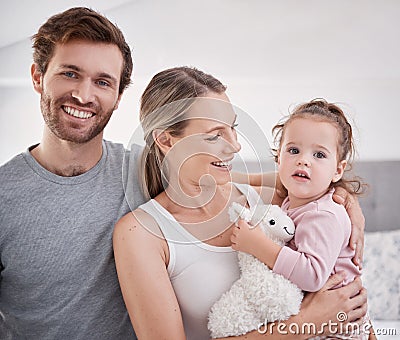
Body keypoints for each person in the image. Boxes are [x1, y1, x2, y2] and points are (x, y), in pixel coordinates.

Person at [113, 68, 368, 340]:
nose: (235, 146)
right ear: (166, 140)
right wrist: (307, 321)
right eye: (214, 135)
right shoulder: (142, 234)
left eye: (233, 128)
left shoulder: (270, 197)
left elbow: (344, 277)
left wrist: (346, 199)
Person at [0, 7, 146, 339]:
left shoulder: (146, 171)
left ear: (118, 96)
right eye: (70, 73)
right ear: (38, 77)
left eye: (103, 82)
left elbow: (228, 185)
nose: (84, 94)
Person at [230, 99, 373, 339]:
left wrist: (257, 245)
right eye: (293, 150)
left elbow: (312, 275)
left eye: (319, 154)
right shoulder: (294, 201)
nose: (303, 160)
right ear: (278, 160)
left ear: (338, 170)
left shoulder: (323, 214)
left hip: (339, 327)